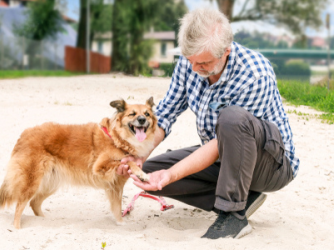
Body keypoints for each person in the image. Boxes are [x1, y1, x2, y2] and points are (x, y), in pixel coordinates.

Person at [117, 8, 299, 239]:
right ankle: (245, 198)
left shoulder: (254, 74)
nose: (194, 68)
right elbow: (164, 114)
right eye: (190, 61)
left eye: (203, 63)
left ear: (226, 51)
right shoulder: (190, 62)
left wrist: (172, 174)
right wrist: (139, 154)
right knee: (150, 173)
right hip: (224, 158)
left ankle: (233, 214)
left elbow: (218, 144)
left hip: (270, 164)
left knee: (232, 118)